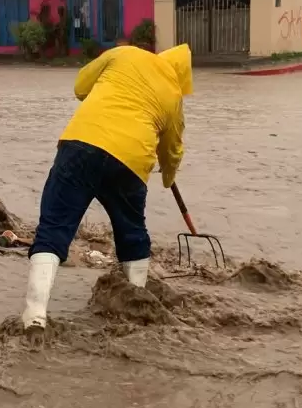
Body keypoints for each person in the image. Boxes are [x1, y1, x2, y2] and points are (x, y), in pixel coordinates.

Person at [22, 43, 193, 340]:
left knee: (53, 229)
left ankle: (34, 317)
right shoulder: (174, 98)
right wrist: (167, 177)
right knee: (133, 234)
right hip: (130, 163)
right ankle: (136, 310)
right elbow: (172, 150)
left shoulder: (123, 53)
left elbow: (80, 86)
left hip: (81, 146)